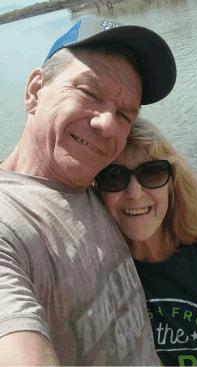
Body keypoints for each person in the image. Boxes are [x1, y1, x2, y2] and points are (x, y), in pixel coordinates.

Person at [0, 15, 176, 366]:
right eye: (89, 92)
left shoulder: (109, 185)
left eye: (126, 114)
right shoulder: (9, 222)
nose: (108, 125)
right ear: (35, 91)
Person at [96, 117, 197, 366]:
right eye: (114, 176)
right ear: (98, 191)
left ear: (172, 182)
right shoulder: (95, 276)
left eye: (151, 173)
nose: (135, 193)